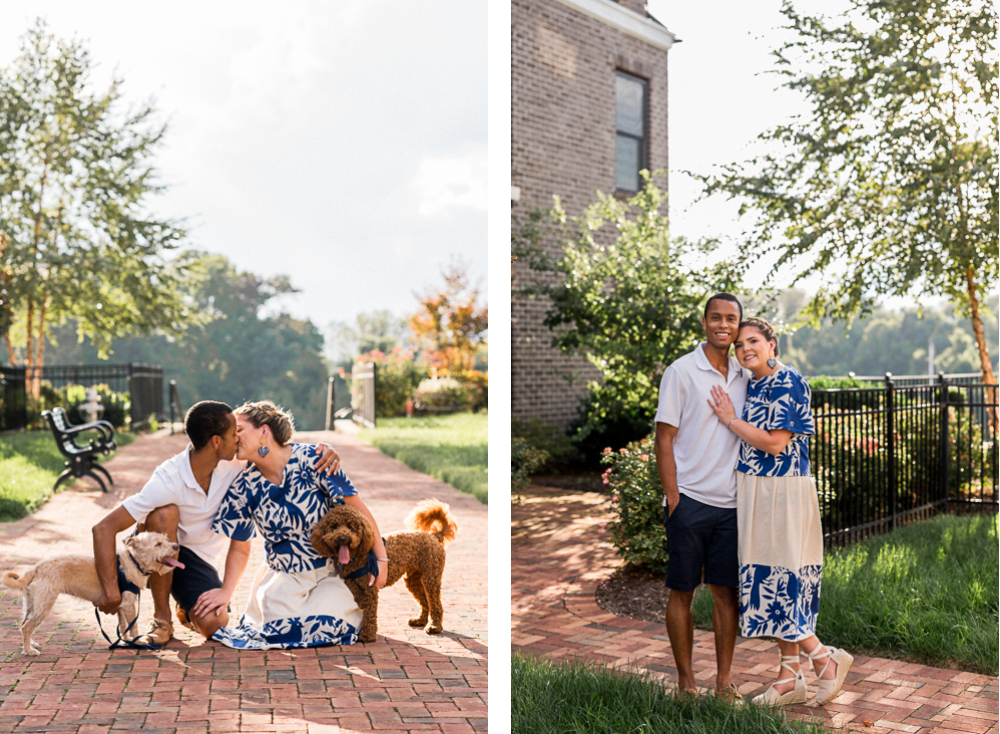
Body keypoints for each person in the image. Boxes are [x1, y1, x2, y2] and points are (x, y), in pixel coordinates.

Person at [92, 400, 340, 645]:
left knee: (215, 624)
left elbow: (274, 449)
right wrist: (112, 590)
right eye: (234, 433)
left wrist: (322, 448)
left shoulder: (237, 462)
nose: (239, 439)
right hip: (161, 548)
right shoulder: (168, 479)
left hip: (197, 560)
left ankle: (185, 606)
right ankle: (161, 618)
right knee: (163, 514)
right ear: (216, 441)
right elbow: (103, 528)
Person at [708, 317, 853, 706]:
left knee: (783, 580)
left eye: (753, 341)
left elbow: (775, 444)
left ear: (773, 344)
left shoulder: (789, 381)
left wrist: (730, 420)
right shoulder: (754, 383)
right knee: (769, 577)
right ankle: (790, 677)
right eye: (739, 345)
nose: (745, 349)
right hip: (756, 489)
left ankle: (824, 659)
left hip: (782, 490)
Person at [205, 400, 389, 649]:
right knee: (280, 625)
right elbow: (239, 547)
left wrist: (382, 559)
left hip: (328, 574)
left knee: (333, 621)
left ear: (264, 431)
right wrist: (226, 592)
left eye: (238, 429)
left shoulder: (316, 461)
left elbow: (359, 510)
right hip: (283, 579)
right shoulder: (243, 486)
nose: (233, 437)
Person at [653, 293, 748, 700]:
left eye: (731, 319)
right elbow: (664, 438)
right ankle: (686, 683)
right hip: (689, 500)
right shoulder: (681, 371)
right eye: (716, 318)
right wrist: (673, 496)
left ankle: (724, 683)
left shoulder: (745, 374)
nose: (723, 325)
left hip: (732, 505)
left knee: (727, 594)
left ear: (739, 325)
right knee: (683, 591)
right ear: (704, 321)